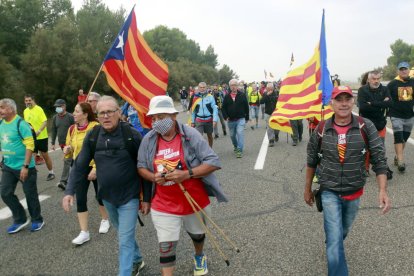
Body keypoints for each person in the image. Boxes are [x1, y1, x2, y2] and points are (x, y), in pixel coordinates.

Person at [304, 86, 391, 276]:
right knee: (335, 241)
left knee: (341, 232)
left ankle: (333, 243)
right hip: (329, 190)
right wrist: (307, 188)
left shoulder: (365, 126)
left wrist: (382, 190)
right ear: (331, 103)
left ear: (353, 102)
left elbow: (379, 159)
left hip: (354, 191)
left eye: (347, 99)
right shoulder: (321, 128)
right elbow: (311, 160)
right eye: (339, 99)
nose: (344, 104)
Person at [137, 96, 227, 276]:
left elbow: (213, 161)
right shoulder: (148, 139)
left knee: (197, 235)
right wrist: (154, 177)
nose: (156, 122)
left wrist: (187, 174)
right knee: (166, 244)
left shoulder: (190, 134)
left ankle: (199, 255)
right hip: (163, 203)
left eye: (160, 117)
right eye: (153, 119)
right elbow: (141, 167)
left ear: (173, 115)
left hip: (193, 199)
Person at [62, 96, 150, 276]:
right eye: (102, 113)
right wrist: (69, 191)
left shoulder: (131, 135)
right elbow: (79, 165)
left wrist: (147, 198)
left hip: (129, 196)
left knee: (124, 239)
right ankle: (137, 260)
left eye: (110, 111)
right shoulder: (93, 136)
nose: (106, 116)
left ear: (118, 113)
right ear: (97, 115)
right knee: (122, 234)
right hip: (107, 197)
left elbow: (145, 168)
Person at [61, 102, 110, 245]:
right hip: (79, 168)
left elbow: (100, 148)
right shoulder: (72, 129)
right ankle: (84, 232)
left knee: (99, 195)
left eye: (77, 111)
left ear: (85, 114)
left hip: (96, 167)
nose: (74, 113)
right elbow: (69, 149)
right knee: (80, 198)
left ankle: (105, 219)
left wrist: (95, 167)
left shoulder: (95, 128)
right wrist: (67, 150)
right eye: (74, 111)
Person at [0, 98, 44, 233]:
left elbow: (30, 145)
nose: (0, 110)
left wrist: (25, 166)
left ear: (11, 109)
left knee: (30, 194)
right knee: (5, 193)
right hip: (8, 166)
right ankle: (20, 219)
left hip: (25, 167)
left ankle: (37, 219)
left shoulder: (21, 124)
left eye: (2, 107)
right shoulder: (1, 123)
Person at [357, 70, 393, 174]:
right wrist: (381, 103)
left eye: (378, 79)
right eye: (374, 79)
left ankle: (381, 169)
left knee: (380, 148)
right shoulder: (362, 90)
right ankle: (365, 168)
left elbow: (390, 103)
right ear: (368, 79)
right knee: (365, 148)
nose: (376, 81)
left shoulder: (385, 89)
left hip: (380, 124)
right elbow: (363, 108)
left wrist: (371, 103)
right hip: (365, 124)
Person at [387, 61, 414, 172]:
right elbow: (386, 98)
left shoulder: (413, 82)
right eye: (401, 69)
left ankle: (397, 157)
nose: (403, 71)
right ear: (398, 71)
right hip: (396, 115)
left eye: (405, 69)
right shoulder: (392, 84)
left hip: (409, 115)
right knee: (398, 136)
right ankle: (401, 161)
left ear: (409, 70)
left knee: (404, 138)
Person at [23, 95, 55, 181]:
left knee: (45, 155)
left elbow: (44, 121)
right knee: (30, 156)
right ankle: (30, 172)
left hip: (42, 137)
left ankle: (51, 172)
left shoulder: (39, 109)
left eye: (29, 100)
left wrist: (39, 131)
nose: (28, 102)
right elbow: (26, 125)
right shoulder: (25, 111)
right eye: (26, 101)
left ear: (33, 100)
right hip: (31, 138)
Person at [50, 99, 75, 190]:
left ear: (64, 106)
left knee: (67, 160)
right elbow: (54, 130)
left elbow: (76, 129)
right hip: (61, 144)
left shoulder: (70, 117)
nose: (57, 108)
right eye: (56, 107)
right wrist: (53, 143)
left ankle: (63, 181)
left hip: (71, 143)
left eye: (59, 106)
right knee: (72, 162)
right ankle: (80, 175)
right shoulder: (55, 118)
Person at [222, 79, 249, 158]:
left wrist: (247, 117)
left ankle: (239, 150)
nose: (233, 87)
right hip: (231, 120)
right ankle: (235, 146)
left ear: (237, 86)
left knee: (240, 133)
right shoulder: (227, 96)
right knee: (232, 135)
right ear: (229, 86)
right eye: (232, 85)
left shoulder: (242, 95)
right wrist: (225, 116)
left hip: (241, 119)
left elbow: (246, 106)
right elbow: (223, 108)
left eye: (235, 85)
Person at [190, 82, 218, 148]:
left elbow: (214, 108)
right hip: (199, 120)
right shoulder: (195, 97)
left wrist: (215, 120)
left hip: (209, 120)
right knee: (199, 137)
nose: (202, 89)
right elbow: (193, 111)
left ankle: (210, 149)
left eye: (203, 87)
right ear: (198, 88)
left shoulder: (210, 97)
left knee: (210, 136)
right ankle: (202, 151)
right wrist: (192, 122)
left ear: (206, 88)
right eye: (201, 87)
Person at [260, 82, 279, 147]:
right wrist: (266, 95)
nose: (269, 90)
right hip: (268, 112)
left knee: (276, 127)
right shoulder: (265, 93)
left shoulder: (277, 93)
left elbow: (281, 101)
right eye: (268, 88)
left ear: (273, 88)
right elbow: (261, 101)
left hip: (276, 112)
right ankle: (271, 140)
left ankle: (276, 134)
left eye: (271, 88)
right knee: (269, 127)